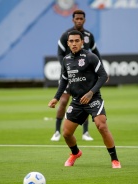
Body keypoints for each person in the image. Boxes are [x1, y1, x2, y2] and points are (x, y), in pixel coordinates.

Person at [48, 30, 121, 169]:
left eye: (77, 41)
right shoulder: (66, 60)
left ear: (82, 42)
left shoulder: (91, 57)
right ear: (68, 43)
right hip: (77, 101)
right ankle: (75, 153)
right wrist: (56, 98)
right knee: (66, 133)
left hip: (93, 99)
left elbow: (103, 76)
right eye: (71, 41)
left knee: (102, 126)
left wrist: (90, 93)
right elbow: (63, 81)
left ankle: (115, 160)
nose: (74, 43)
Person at [51, 9, 102, 141]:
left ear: (84, 20)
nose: (79, 21)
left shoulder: (89, 36)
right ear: (73, 19)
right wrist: (66, 68)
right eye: (76, 19)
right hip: (70, 73)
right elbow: (60, 54)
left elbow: (96, 52)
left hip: (84, 75)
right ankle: (57, 131)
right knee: (63, 101)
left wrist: (100, 69)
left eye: (81, 19)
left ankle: (85, 132)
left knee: (84, 99)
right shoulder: (66, 35)